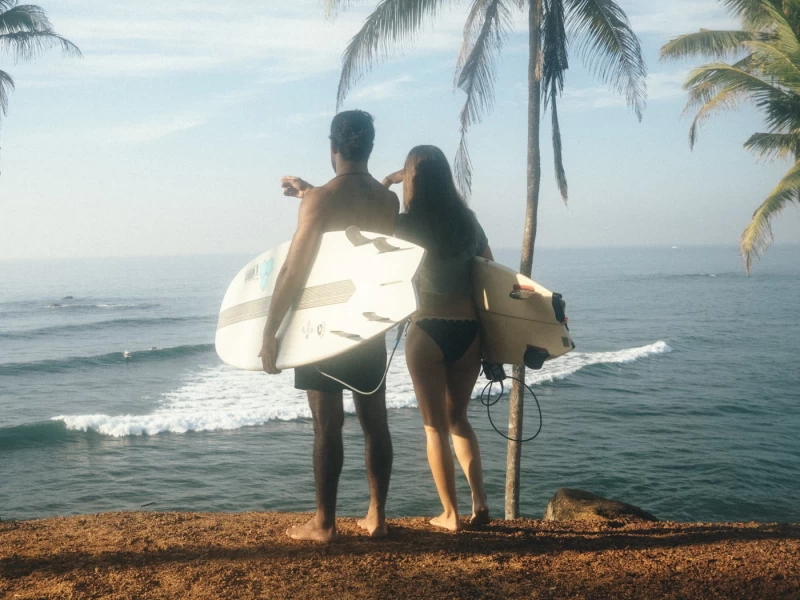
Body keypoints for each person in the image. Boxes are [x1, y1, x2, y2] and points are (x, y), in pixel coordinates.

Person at [259, 110, 399, 542]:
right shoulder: (386, 201)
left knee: (327, 425)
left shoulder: (319, 200)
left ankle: (324, 523)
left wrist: (269, 331)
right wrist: (307, 192)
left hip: (321, 324)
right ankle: (376, 515)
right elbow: (354, 229)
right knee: (375, 422)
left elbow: (294, 270)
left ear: (332, 149)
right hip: (369, 322)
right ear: (370, 148)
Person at [384, 145, 493, 531]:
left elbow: (370, 227)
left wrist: (389, 181)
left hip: (427, 328)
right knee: (459, 418)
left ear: (411, 179)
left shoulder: (404, 224)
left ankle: (450, 514)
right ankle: (480, 503)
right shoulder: (469, 223)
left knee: (434, 427)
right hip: (468, 332)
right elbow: (490, 273)